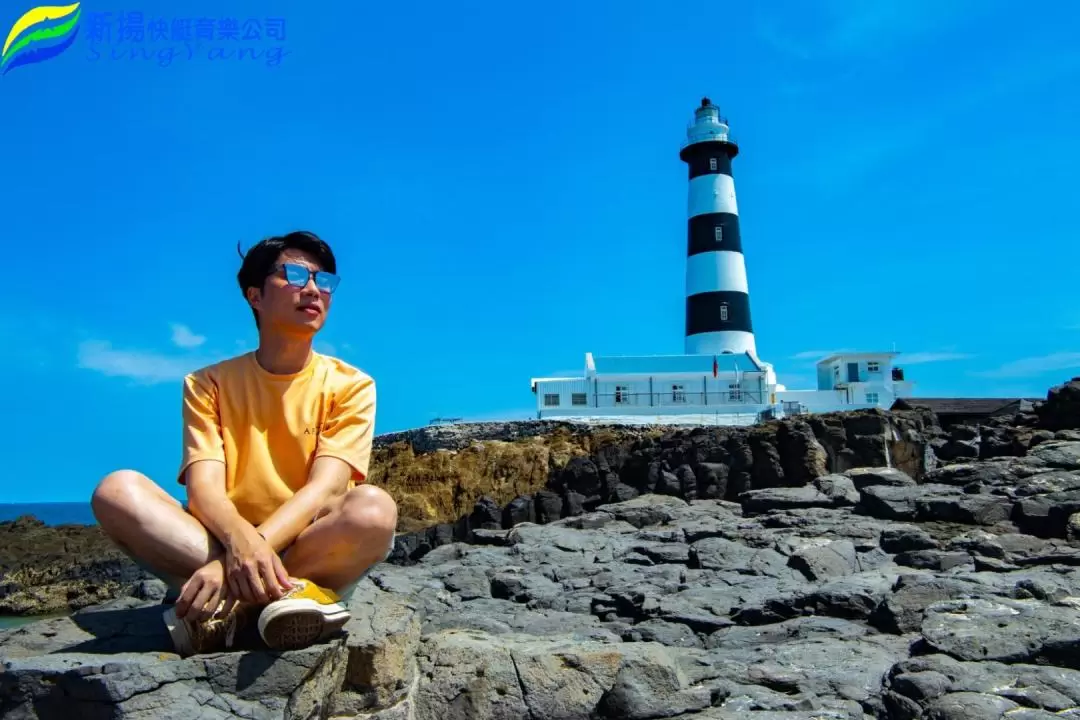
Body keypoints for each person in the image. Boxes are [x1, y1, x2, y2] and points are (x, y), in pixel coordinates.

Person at [90, 230, 398, 656]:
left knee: (374, 510)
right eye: (294, 275)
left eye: (324, 281)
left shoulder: (351, 385)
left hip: (309, 545)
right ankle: (280, 602)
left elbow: (325, 488)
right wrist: (237, 545)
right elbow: (204, 490)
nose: (313, 289)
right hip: (221, 539)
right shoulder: (207, 383)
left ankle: (228, 606)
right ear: (255, 295)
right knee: (116, 490)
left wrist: (228, 564)